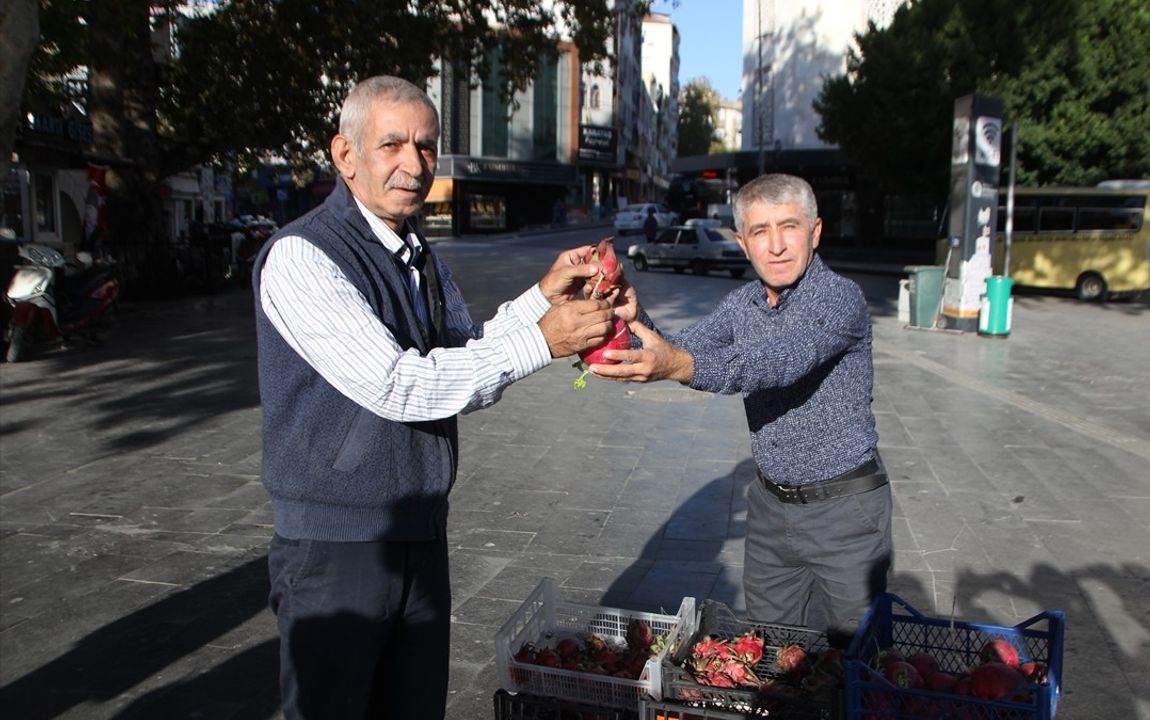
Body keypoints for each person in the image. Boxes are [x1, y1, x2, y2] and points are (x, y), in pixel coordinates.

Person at [252, 75, 614, 720]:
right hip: (337, 547)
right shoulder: (302, 256)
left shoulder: (417, 253)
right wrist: (543, 341)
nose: (413, 165)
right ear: (345, 155)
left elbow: (462, 354)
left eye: (425, 147)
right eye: (392, 144)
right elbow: (400, 384)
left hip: (419, 530)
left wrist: (543, 299)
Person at [593, 173, 892, 646]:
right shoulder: (743, 304)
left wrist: (678, 365)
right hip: (772, 509)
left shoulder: (839, 298)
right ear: (742, 243)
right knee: (773, 649)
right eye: (759, 232)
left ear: (815, 232)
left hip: (845, 512)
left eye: (789, 227)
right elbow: (681, 347)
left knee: (858, 656)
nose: (776, 246)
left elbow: (775, 361)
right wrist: (634, 316)